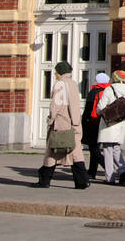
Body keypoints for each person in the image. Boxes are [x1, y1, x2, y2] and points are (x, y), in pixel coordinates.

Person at [36, 61, 89, 189]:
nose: (54, 73)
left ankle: (44, 180)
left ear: (60, 72)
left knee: (52, 152)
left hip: (61, 123)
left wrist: (50, 119)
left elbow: (56, 105)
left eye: (56, 71)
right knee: (75, 153)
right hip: (75, 123)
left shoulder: (60, 84)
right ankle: (82, 181)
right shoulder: (73, 84)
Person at [96, 69, 125, 185]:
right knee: (116, 148)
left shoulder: (109, 89)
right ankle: (123, 170)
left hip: (109, 124)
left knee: (107, 150)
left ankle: (110, 177)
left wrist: (100, 113)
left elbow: (100, 107)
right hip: (120, 123)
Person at [82, 71, 111, 180]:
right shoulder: (109, 90)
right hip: (104, 121)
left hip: (93, 122)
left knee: (93, 148)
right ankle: (92, 171)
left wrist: (84, 121)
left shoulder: (94, 91)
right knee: (96, 147)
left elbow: (88, 108)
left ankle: (108, 167)